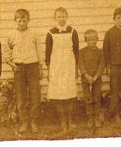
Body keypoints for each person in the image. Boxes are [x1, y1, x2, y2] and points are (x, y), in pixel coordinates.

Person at [6, 9, 43, 133]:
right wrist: (12, 65)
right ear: (15, 21)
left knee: (34, 95)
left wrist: (40, 67)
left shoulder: (34, 34)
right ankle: (24, 122)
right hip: (19, 68)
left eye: (24, 20)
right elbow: (7, 51)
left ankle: (34, 121)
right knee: (21, 96)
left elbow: (39, 51)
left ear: (28, 20)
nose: (22, 23)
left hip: (32, 66)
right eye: (19, 20)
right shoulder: (11, 36)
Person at [45, 7, 79, 135]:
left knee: (69, 93)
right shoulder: (50, 32)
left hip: (69, 65)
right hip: (56, 66)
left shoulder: (72, 31)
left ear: (67, 16)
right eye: (59, 16)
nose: (61, 18)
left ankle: (70, 120)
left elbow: (76, 51)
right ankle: (62, 121)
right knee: (59, 94)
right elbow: (47, 54)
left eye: (63, 16)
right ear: (55, 18)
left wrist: (76, 68)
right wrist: (49, 70)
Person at [78, 29, 105, 129]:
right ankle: (90, 117)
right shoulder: (82, 52)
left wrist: (96, 76)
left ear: (97, 39)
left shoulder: (100, 52)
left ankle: (96, 117)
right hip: (86, 79)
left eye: (93, 39)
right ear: (86, 40)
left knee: (96, 97)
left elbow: (102, 64)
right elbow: (80, 64)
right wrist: (86, 75)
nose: (92, 42)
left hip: (96, 78)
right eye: (89, 40)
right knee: (88, 97)